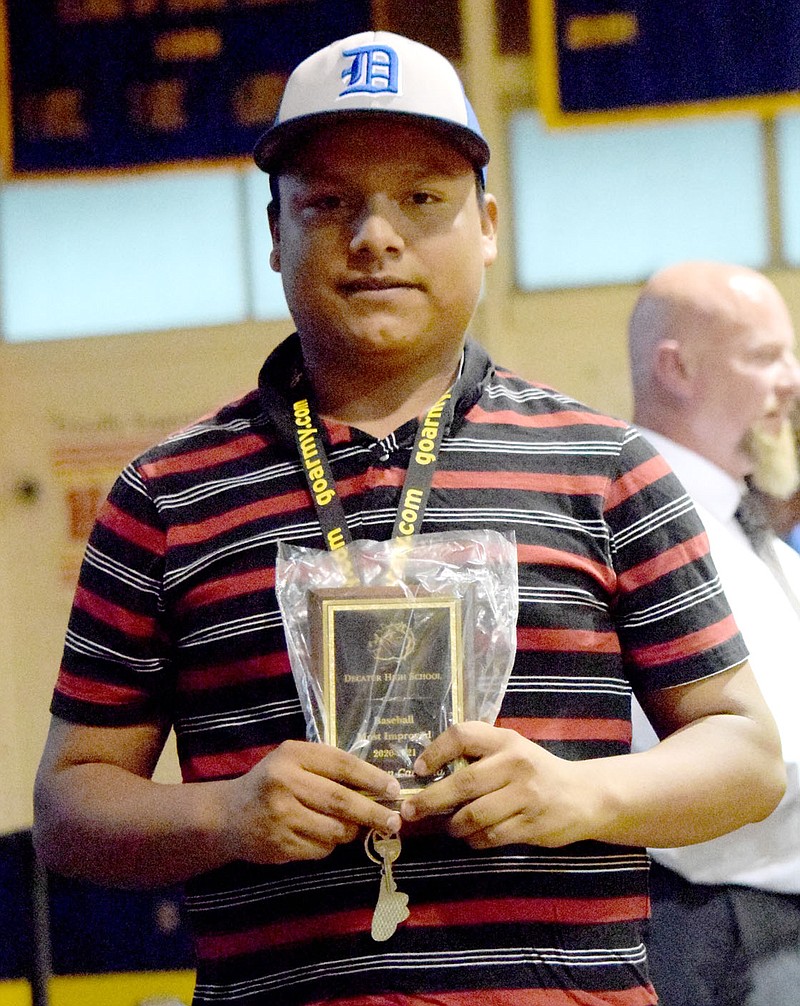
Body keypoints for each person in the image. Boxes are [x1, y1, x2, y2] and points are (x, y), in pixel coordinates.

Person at [32, 33, 784, 1006]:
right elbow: (70, 802)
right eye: (328, 202)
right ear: (274, 230)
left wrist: (577, 793)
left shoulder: (605, 470)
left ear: (487, 225)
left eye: (422, 198)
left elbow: (742, 752)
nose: (375, 235)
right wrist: (224, 814)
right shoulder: (164, 495)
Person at [628, 260, 800, 1006]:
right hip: (718, 929)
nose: (791, 379)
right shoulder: (643, 519)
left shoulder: (739, 515)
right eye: (765, 357)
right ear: (679, 369)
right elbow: (693, 776)